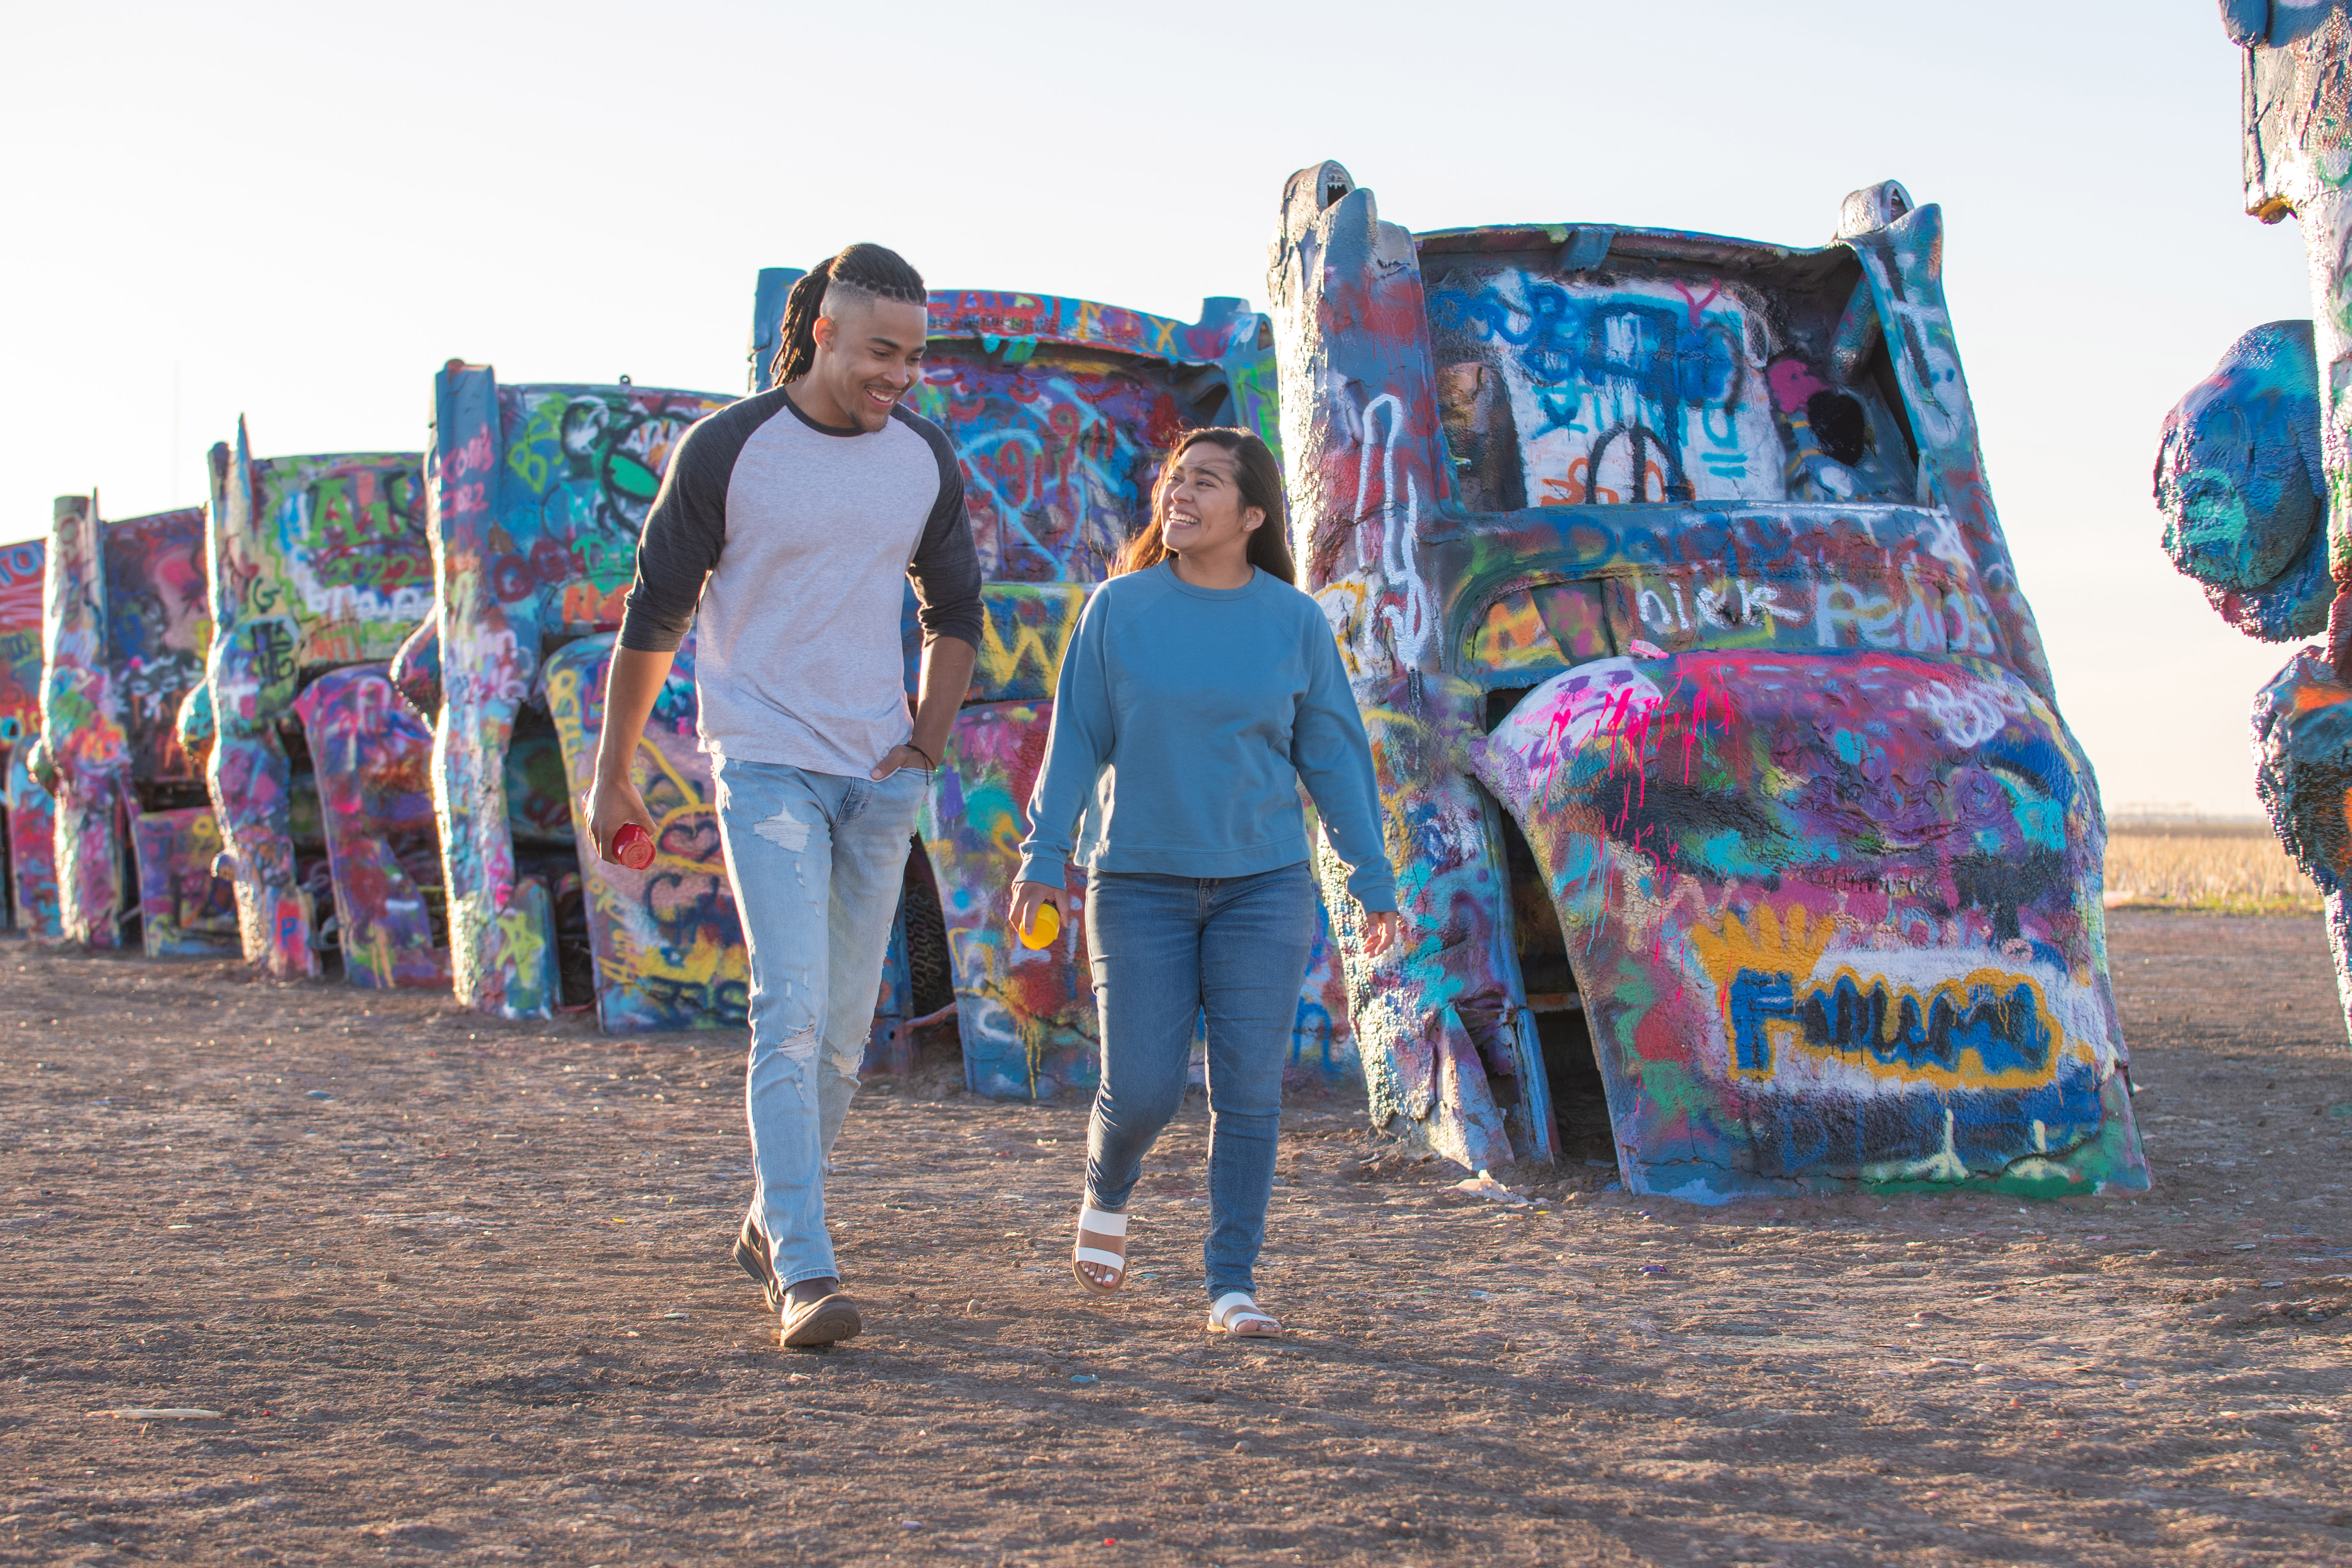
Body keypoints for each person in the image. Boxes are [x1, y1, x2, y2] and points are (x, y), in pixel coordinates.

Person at [588, 244, 981, 1348]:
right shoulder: (730, 449)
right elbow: (654, 613)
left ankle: (769, 1220)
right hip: (763, 761)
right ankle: (804, 1269)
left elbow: (956, 610)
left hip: (879, 774)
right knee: (792, 1004)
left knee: (849, 1031)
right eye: (879, 354)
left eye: (913, 355)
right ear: (825, 336)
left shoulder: (923, 458)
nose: (898, 375)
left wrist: (926, 738)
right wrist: (613, 769)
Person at [1008, 427, 1401, 1340]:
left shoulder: (1293, 622)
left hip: (1263, 885)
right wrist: (1042, 857)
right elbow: (1076, 741)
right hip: (1137, 881)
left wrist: (1371, 874)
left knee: (1248, 1092)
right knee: (1142, 1088)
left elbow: (1334, 760)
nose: (1178, 494)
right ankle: (1109, 1184)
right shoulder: (1119, 608)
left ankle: (1232, 1281)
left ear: (1252, 514)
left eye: (1206, 483)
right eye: (1175, 479)